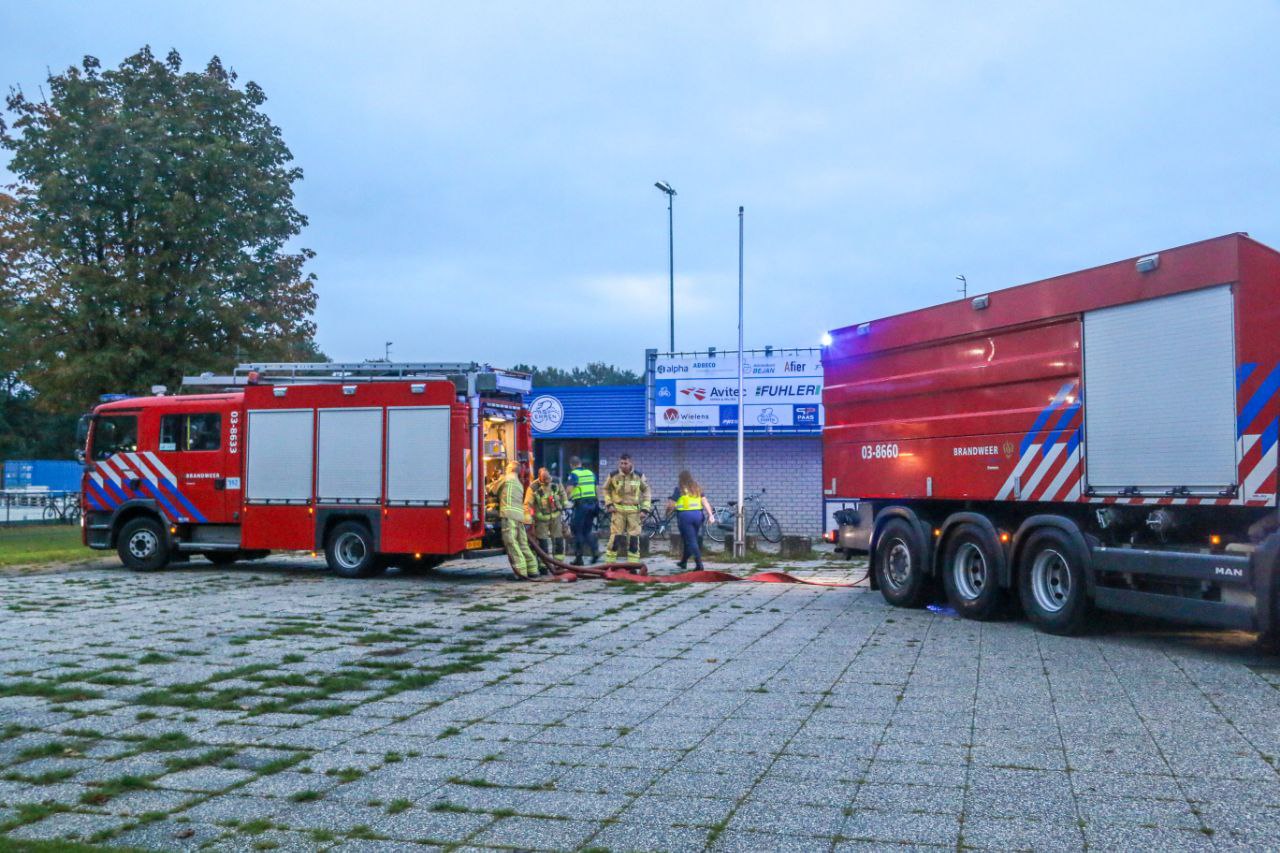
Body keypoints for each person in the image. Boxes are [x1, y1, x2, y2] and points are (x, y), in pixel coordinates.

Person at [488, 462, 537, 580]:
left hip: (509, 515)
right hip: (519, 516)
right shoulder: (519, 483)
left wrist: (493, 481)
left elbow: (491, 490)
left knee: (511, 542)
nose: (505, 468)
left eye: (507, 467)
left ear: (510, 469)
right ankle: (533, 569)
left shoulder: (506, 478)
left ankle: (520, 572)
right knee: (523, 543)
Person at [603, 453, 651, 563]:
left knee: (634, 539)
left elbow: (647, 491)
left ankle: (632, 565)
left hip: (634, 512)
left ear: (631, 463)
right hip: (618, 511)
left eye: (625, 463)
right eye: (621, 463)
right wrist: (609, 504)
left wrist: (645, 509)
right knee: (615, 538)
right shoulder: (613, 475)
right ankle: (610, 564)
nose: (623, 465)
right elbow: (605, 489)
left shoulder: (639, 476)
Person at [667, 470, 715, 570]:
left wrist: (667, 511)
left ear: (681, 479)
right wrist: (710, 515)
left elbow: (671, 504)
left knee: (691, 541)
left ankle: (699, 565)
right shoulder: (697, 488)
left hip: (685, 517)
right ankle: (683, 562)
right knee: (688, 539)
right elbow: (705, 501)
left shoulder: (679, 489)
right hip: (698, 516)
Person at [526, 467, 567, 571]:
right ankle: (544, 565)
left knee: (558, 540)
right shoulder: (533, 487)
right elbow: (528, 504)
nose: (547, 482)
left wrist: (565, 505)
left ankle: (559, 564)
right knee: (542, 542)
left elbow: (563, 494)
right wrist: (528, 517)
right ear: (540, 478)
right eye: (545, 480)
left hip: (556, 516)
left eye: (548, 479)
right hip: (541, 518)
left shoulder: (556, 482)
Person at [565, 456, 600, 566]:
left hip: (581, 505)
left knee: (577, 531)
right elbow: (597, 489)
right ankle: (595, 551)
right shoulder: (590, 473)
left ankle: (579, 558)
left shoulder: (574, 474)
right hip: (592, 505)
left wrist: (567, 499)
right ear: (580, 463)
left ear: (572, 465)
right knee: (587, 531)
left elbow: (569, 489)